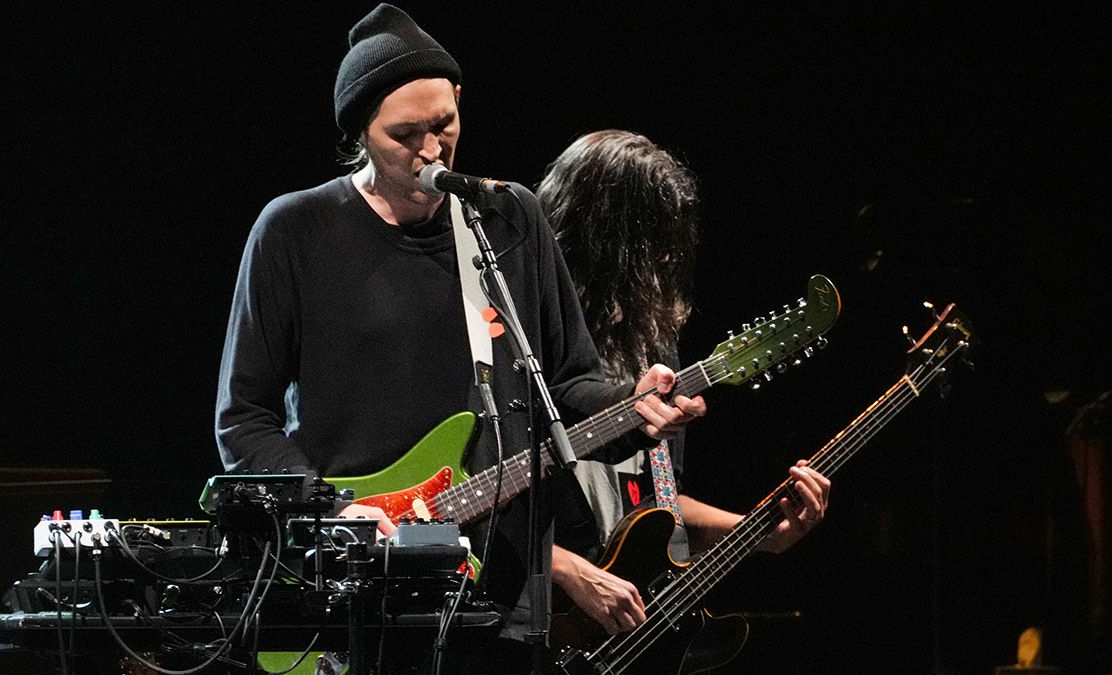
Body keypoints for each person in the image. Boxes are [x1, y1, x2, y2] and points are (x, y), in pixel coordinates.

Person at [214, 6, 704, 670]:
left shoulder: (509, 217)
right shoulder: (293, 232)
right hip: (355, 589)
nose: (430, 151)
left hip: (500, 592)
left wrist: (635, 405)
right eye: (404, 134)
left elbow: (567, 384)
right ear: (362, 130)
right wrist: (333, 512)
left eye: (443, 125)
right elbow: (243, 420)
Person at [537, 130, 831, 636]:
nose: (669, 257)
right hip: (533, 628)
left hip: (614, 637)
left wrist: (757, 533)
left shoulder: (653, 351)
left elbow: (657, 511)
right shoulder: (524, 339)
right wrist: (564, 567)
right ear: (602, 235)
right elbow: (467, 498)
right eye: (653, 238)